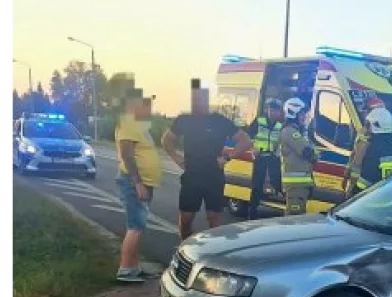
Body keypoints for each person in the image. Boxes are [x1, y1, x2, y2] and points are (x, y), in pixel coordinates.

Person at [161, 79, 253, 239]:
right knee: (186, 218)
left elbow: (245, 141)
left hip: (214, 176)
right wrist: (176, 158)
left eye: (200, 99)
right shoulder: (184, 120)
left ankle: (212, 253)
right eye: (194, 100)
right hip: (192, 175)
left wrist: (227, 157)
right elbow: (166, 139)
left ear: (206, 101)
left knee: (213, 219)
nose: (197, 103)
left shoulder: (218, 120)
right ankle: (184, 247)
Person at [114, 91, 161, 283]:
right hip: (134, 183)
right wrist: (138, 183)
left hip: (144, 183)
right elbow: (127, 155)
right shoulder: (128, 123)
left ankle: (133, 267)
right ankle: (125, 270)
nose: (149, 109)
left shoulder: (138, 125)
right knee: (136, 226)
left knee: (137, 226)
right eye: (145, 105)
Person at [344, 99, 392, 196]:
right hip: (383, 196)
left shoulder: (369, 144)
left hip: (366, 196)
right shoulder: (389, 146)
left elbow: (357, 165)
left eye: (368, 123)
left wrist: (351, 189)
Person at [278, 97, 319, 216]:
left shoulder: (299, 132)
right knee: (293, 221)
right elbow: (308, 152)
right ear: (293, 113)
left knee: (297, 219)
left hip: (301, 185)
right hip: (296, 186)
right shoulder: (289, 132)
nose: (304, 117)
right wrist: (314, 154)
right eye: (302, 114)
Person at [245, 98, 285, 219]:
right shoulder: (259, 121)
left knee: (278, 182)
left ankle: (284, 210)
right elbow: (247, 136)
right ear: (267, 110)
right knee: (256, 186)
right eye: (271, 109)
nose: (273, 112)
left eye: (276, 110)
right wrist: (253, 148)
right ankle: (252, 214)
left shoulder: (281, 125)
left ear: (279, 112)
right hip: (260, 157)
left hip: (273, 157)